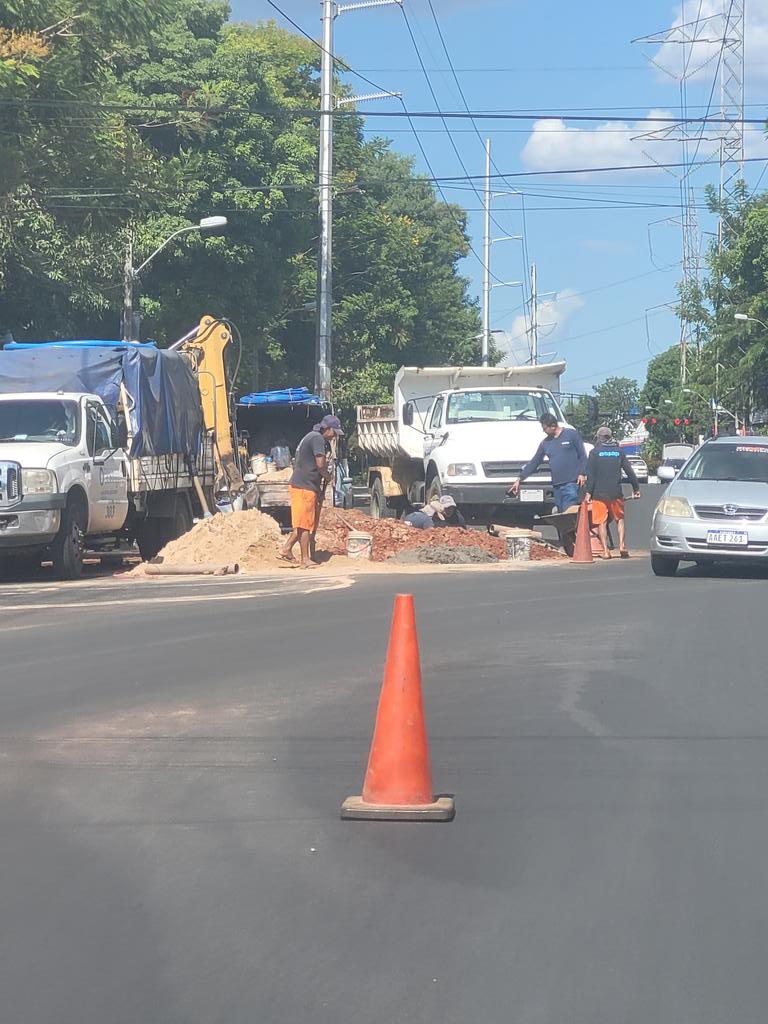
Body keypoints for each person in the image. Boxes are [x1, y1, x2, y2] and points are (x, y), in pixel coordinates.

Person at [279, 414, 343, 569]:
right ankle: (305, 559)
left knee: (303, 523)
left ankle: (287, 549)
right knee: (305, 524)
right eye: (334, 432)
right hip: (304, 486)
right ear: (327, 429)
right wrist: (328, 476)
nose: (334, 436)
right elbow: (320, 464)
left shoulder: (311, 436)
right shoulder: (317, 439)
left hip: (304, 485)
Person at [508, 412, 588, 512]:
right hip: (557, 485)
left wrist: (582, 473)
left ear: (553, 426)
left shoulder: (571, 434)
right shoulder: (545, 443)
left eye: (545, 428)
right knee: (560, 512)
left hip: (571, 483)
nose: (544, 430)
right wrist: (519, 479)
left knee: (569, 512)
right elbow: (535, 462)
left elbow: (583, 456)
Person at [585, 425, 641, 559]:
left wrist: (588, 493)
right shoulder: (619, 452)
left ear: (599, 438)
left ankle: (605, 551)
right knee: (620, 519)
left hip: (599, 494)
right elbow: (629, 471)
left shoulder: (594, 453)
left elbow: (591, 476)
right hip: (616, 492)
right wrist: (636, 488)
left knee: (601, 522)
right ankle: (622, 546)